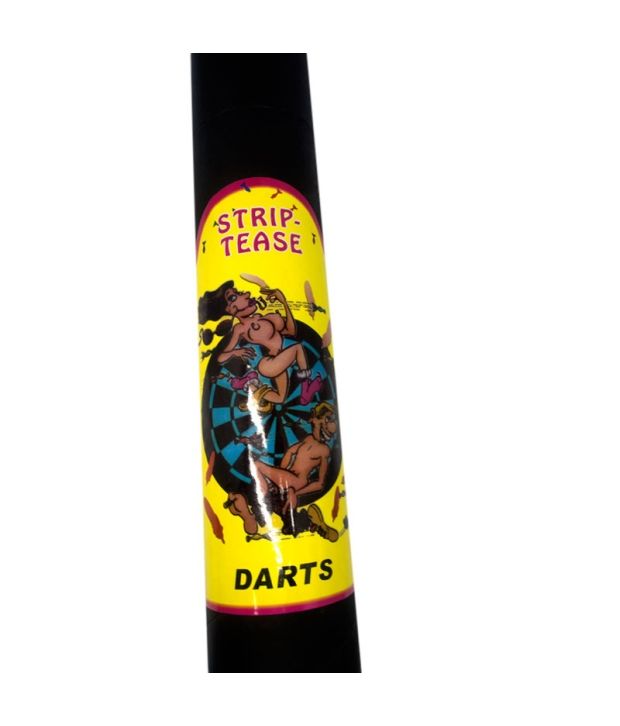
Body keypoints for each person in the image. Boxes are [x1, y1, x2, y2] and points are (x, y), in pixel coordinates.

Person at [199, 280, 322, 411]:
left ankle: (252, 386)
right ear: (230, 309)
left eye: (239, 292)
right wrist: (236, 352)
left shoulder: (263, 317)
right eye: (234, 297)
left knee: (280, 398)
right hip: (269, 364)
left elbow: (291, 332)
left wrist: (283, 302)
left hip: (279, 359)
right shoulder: (240, 328)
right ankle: (306, 387)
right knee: (298, 348)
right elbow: (220, 357)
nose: (246, 294)